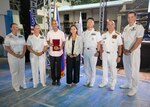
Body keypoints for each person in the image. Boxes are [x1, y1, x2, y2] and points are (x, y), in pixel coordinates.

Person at [120, 11, 145, 96]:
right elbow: (123, 39)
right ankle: (128, 83)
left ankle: (134, 88)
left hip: (134, 52)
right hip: (126, 51)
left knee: (134, 70)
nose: (130, 19)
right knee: (127, 69)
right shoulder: (126, 27)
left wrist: (130, 50)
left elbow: (138, 41)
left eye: (131, 17)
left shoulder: (139, 27)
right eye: (128, 17)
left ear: (135, 17)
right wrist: (124, 49)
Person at [98, 20, 122, 91]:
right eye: (109, 24)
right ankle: (104, 82)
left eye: (112, 24)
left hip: (113, 54)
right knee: (104, 69)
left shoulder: (117, 35)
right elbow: (101, 45)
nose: (110, 26)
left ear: (114, 26)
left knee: (113, 70)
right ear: (107, 26)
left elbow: (120, 46)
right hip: (105, 54)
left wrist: (119, 56)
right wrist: (101, 53)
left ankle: (112, 84)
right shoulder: (104, 35)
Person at [4, 23, 27, 92]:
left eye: (17, 27)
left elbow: (24, 46)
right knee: (14, 71)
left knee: (22, 70)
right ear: (11, 28)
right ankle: (16, 86)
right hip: (13, 57)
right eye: (14, 27)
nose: (15, 29)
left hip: (21, 56)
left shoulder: (21, 36)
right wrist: (15, 54)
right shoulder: (8, 37)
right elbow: (7, 47)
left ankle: (22, 84)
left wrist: (23, 53)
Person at [82, 17, 101, 88]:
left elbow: (99, 43)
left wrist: (98, 51)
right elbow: (83, 43)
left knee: (93, 67)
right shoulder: (84, 33)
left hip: (93, 51)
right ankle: (88, 80)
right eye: (88, 22)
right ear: (86, 24)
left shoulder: (96, 32)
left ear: (93, 23)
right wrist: (83, 52)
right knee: (86, 67)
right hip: (86, 51)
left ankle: (92, 81)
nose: (89, 23)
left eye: (91, 22)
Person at [47, 19, 65, 86]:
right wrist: (50, 44)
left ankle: (58, 80)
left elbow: (63, 41)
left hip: (59, 53)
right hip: (51, 53)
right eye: (53, 23)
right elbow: (48, 41)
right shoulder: (49, 33)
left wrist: (61, 47)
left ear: (57, 24)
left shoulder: (61, 33)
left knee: (58, 67)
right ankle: (53, 80)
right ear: (52, 25)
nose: (54, 25)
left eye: (55, 23)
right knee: (52, 67)